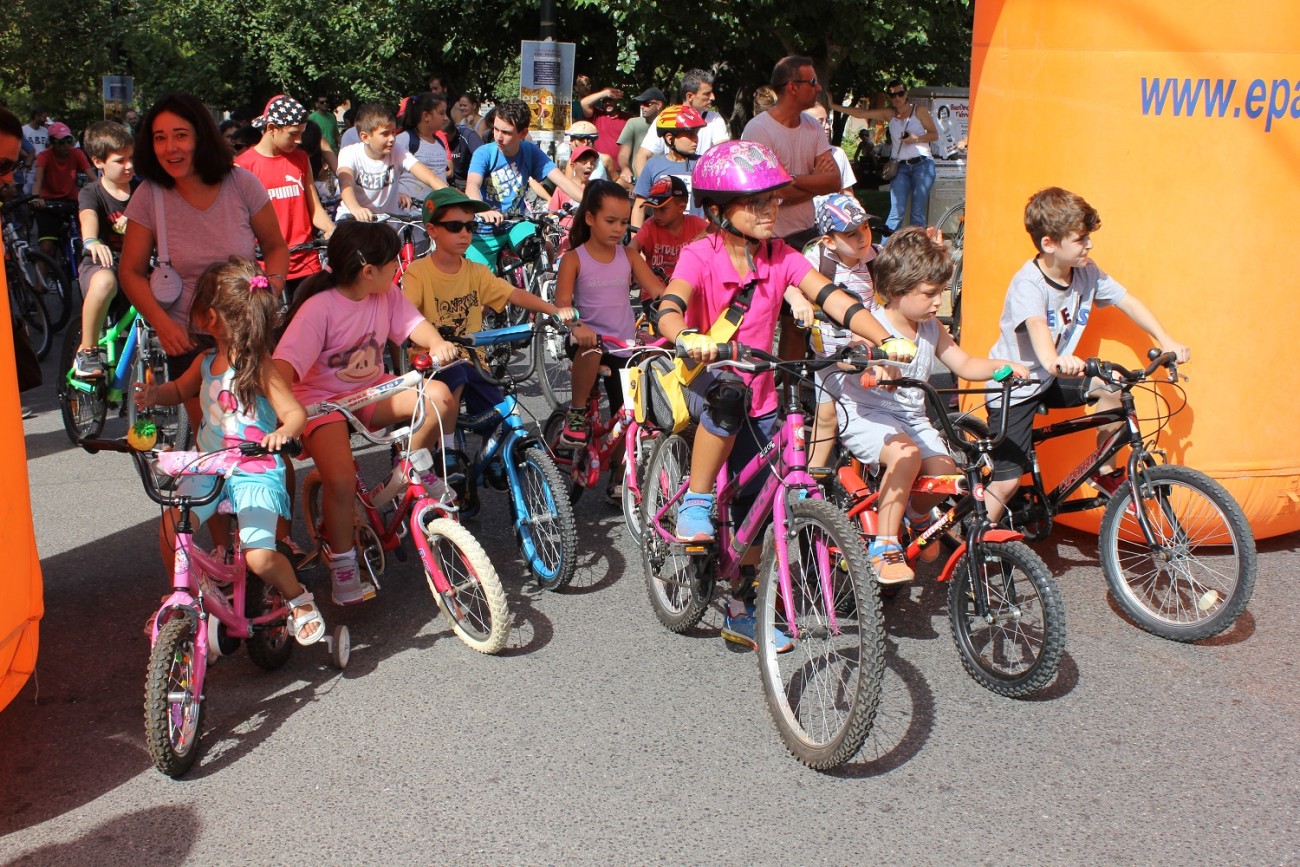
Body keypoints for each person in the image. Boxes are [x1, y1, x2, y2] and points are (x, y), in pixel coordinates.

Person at [652, 140, 912, 648]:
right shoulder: (698, 254)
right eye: (757, 202)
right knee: (727, 400)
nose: (771, 209)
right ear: (717, 211)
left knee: (756, 499)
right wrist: (685, 335)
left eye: (773, 199)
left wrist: (884, 337)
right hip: (711, 377)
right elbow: (670, 304)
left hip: (764, 390)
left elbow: (831, 295)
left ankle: (741, 606)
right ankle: (697, 501)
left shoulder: (782, 255)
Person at [136, 257, 324, 645]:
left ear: (212, 317)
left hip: (254, 467)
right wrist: (155, 394)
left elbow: (295, 414)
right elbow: (181, 391)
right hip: (210, 466)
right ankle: (187, 592)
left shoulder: (260, 366)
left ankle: (298, 599)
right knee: (172, 528)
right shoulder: (206, 363)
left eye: (200, 306)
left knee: (260, 557)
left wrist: (283, 433)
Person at [273, 221, 461, 604]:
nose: (399, 269)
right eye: (394, 262)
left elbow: (416, 327)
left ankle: (414, 467)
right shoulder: (318, 310)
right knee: (340, 482)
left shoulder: (386, 294)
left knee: (440, 398)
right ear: (368, 271)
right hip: (322, 403)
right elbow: (280, 372)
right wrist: (291, 414)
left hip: (371, 392)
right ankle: (344, 567)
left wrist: (438, 342)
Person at [983, 187, 1191, 524]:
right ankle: (975, 543)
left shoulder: (1086, 272)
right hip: (1016, 387)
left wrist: (1165, 338)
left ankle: (1106, 473)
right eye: (1081, 239)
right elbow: (1037, 325)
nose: (1089, 245)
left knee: (1113, 388)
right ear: (1049, 244)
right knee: (1007, 481)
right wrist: (1053, 360)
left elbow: (1128, 301)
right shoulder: (1028, 285)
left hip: (1051, 378)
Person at [832, 228, 1028, 582]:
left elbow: (965, 364)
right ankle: (885, 545)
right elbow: (850, 357)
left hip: (911, 417)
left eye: (940, 292)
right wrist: (869, 361)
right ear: (895, 291)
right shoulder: (872, 322)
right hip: (866, 414)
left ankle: (917, 515)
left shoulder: (931, 327)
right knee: (905, 455)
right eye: (929, 293)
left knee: (944, 473)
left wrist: (1002, 368)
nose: (939, 301)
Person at [119, 91, 290, 437]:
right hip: (187, 336)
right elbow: (130, 272)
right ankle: (216, 493)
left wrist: (268, 290)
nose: (170, 148)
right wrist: (163, 325)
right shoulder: (149, 195)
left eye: (180, 135)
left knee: (262, 434)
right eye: (160, 138)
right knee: (211, 439)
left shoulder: (241, 183)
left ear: (201, 136)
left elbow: (276, 247)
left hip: (248, 333)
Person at [402, 187, 579, 491]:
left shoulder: (475, 271)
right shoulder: (418, 273)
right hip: (434, 364)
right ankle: (450, 450)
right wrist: (431, 344)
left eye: (469, 226)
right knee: (454, 377)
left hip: (472, 357)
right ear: (431, 230)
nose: (464, 233)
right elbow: (405, 316)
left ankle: (495, 452)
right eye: (455, 227)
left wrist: (552, 310)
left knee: (500, 405)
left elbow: (512, 293)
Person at [555, 180, 665, 465]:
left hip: (622, 347)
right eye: (611, 221)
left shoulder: (628, 255)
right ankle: (577, 414)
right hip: (585, 341)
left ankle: (620, 480)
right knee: (591, 350)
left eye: (624, 222)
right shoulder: (573, 259)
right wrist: (577, 326)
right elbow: (562, 305)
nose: (619, 229)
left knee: (627, 414)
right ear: (590, 218)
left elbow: (658, 290)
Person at [802, 193, 879, 471]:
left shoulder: (874, 257)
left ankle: (865, 477)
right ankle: (811, 478)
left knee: (865, 414)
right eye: (851, 233)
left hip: (866, 354)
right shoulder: (817, 260)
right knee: (826, 418)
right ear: (829, 241)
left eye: (865, 228)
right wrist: (798, 300)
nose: (863, 238)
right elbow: (790, 280)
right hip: (829, 357)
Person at [236, 95, 336, 296]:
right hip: (265, 267)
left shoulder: (300, 159)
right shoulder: (242, 167)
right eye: (293, 134)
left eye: (301, 133)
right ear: (272, 128)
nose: (299, 140)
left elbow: (314, 207)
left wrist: (331, 229)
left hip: (306, 263)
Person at [741, 56, 841, 252]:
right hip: (771, 240)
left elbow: (834, 181)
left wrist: (791, 180)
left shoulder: (813, 126)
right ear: (792, 87)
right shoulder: (758, 130)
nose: (819, 87)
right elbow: (770, 193)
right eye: (812, 82)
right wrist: (815, 182)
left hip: (809, 234)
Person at [72, 121, 136, 379]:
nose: (129, 165)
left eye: (132, 158)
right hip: (103, 265)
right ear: (98, 162)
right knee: (105, 282)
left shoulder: (144, 190)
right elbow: (88, 217)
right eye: (120, 160)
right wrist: (92, 241)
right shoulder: (91, 193)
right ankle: (87, 351)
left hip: (138, 267)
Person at [830, 80, 939, 232]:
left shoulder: (918, 110)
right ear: (889, 97)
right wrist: (833, 106)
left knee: (917, 212)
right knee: (896, 213)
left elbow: (934, 135)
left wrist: (916, 138)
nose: (897, 97)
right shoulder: (890, 113)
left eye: (900, 93)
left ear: (906, 94)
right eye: (892, 94)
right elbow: (861, 113)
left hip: (922, 165)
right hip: (900, 166)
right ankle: (884, 250)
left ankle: (915, 250)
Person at [466, 98, 583, 223]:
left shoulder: (530, 152)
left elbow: (563, 182)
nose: (498, 137)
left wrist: (592, 204)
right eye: (496, 129)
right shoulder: (484, 153)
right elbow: (472, 184)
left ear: (523, 133)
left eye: (506, 132)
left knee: (540, 240)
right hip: (484, 228)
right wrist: (483, 211)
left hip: (516, 226)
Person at [335, 102, 446, 221]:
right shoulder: (350, 153)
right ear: (365, 137)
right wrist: (356, 208)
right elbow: (345, 183)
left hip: (387, 223)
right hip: (353, 219)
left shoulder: (396, 150)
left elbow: (430, 177)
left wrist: (455, 198)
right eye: (385, 134)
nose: (392, 138)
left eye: (393, 132)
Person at [635, 69, 731, 178]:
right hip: (671, 187)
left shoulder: (714, 119)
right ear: (690, 96)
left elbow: (723, 153)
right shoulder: (666, 119)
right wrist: (646, 188)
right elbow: (642, 155)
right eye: (707, 94)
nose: (712, 97)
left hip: (701, 185)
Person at [630, 104, 706, 230]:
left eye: (696, 133)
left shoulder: (704, 164)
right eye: (689, 134)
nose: (695, 139)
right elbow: (639, 208)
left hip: (696, 241)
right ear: (670, 138)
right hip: (661, 245)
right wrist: (636, 242)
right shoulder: (653, 165)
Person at [32, 121, 93, 262]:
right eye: (61, 142)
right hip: (48, 202)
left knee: (87, 237)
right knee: (46, 248)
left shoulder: (77, 154)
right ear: (52, 143)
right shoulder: (44, 156)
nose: (66, 146)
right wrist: (36, 198)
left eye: (69, 140)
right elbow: (37, 180)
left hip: (71, 200)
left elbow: (92, 176)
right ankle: (40, 284)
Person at [398, 92, 452, 203]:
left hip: (435, 211)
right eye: (441, 113)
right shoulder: (404, 140)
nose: (446, 118)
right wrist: (397, 194)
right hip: (409, 212)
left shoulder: (440, 142)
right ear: (426, 116)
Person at [616, 87, 666, 186]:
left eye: (647, 103)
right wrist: (625, 169)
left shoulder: (670, 125)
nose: (642, 107)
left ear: (659, 105)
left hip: (663, 181)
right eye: (641, 103)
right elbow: (623, 154)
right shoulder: (633, 123)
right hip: (637, 183)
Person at [803, 102, 856, 195]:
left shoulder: (838, 153)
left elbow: (847, 192)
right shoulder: (795, 154)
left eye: (827, 121)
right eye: (820, 122)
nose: (827, 126)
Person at [578, 85, 629, 166]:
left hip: (621, 168)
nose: (607, 103)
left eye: (610, 100)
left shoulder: (627, 118)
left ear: (616, 101)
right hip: (600, 167)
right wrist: (605, 93)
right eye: (605, 101)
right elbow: (584, 103)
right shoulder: (597, 116)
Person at [548, 144, 598, 213]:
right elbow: (552, 213)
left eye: (592, 163)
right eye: (584, 162)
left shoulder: (595, 188)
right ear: (573, 166)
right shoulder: (562, 188)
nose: (589, 166)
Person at [20, 107, 49, 194]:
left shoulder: (45, 131)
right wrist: (30, 157)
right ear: (36, 116)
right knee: (27, 189)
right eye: (43, 117)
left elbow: (48, 146)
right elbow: (18, 148)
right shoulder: (24, 130)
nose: (45, 120)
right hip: (29, 165)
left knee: (40, 188)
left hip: (42, 165)